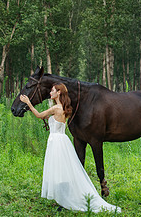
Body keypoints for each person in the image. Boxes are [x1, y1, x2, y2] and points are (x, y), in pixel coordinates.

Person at [20, 83, 121, 213]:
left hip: (56, 141)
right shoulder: (63, 107)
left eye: (52, 91)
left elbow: (39, 115)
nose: (50, 93)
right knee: (63, 169)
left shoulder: (57, 108)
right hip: (62, 140)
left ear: (59, 93)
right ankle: (64, 197)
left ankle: (65, 199)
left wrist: (28, 103)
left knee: (59, 170)